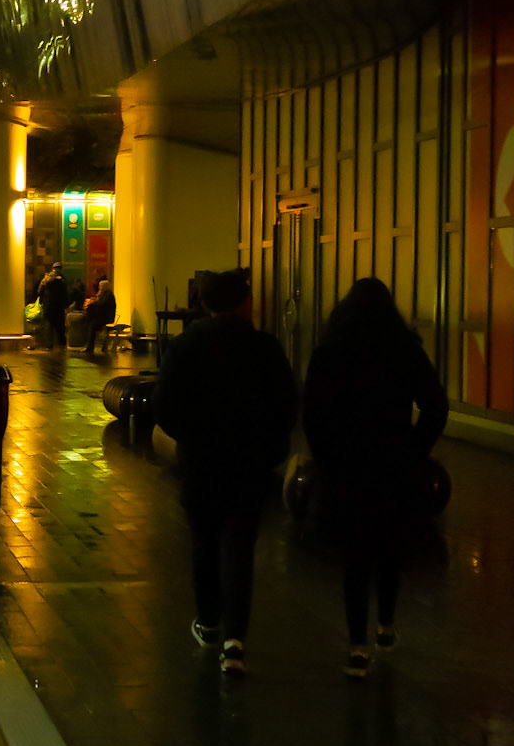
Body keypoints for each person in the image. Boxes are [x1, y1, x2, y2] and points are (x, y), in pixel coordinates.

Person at [153, 269, 297, 677]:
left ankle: (208, 622)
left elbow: (163, 405)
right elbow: (287, 406)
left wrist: (188, 438)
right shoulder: (264, 347)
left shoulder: (185, 346)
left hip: (201, 461)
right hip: (249, 463)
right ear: (244, 303)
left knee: (203, 542)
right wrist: (270, 450)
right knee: (239, 547)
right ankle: (235, 642)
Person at [302, 277, 448, 677]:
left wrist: (325, 457)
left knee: (355, 553)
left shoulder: (330, 350)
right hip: (394, 460)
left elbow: (312, 412)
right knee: (389, 547)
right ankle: (385, 626)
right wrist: (416, 448)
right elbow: (436, 406)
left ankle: (357, 646)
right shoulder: (405, 348)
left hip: (347, 462)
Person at [37, 263, 68, 348]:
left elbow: (39, 291)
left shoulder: (46, 279)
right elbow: (65, 294)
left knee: (49, 327)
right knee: (60, 327)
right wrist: (66, 305)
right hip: (59, 307)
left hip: (48, 306)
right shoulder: (62, 280)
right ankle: (62, 345)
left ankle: (49, 345)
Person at [83, 277, 116, 354]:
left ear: (105, 286)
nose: (99, 287)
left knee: (92, 327)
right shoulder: (106, 294)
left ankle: (90, 347)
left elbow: (101, 304)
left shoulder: (108, 294)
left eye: (101, 286)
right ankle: (90, 347)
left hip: (106, 318)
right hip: (103, 317)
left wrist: (96, 299)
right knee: (91, 325)